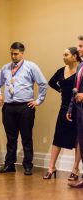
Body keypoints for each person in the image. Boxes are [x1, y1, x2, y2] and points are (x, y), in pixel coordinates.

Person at [0, 42, 47, 175]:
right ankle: (9, 164)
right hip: (9, 107)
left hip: (25, 107)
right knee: (11, 138)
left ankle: (28, 165)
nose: (13, 56)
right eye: (11, 53)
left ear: (22, 53)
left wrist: (38, 101)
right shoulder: (6, 68)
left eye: (16, 53)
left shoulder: (31, 66)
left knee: (26, 137)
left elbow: (43, 84)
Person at [43, 47, 81, 180]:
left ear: (75, 56)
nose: (63, 57)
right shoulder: (61, 70)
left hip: (79, 108)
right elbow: (51, 82)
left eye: (66, 54)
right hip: (64, 107)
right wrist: (61, 90)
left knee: (78, 138)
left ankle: (75, 169)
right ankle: (51, 167)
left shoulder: (81, 71)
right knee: (57, 136)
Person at [67, 36, 83, 188]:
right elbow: (75, 88)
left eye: (81, 46)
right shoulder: (80, 66)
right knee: (82, 143)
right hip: (78, 110)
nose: (78, 49)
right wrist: (71, 108)